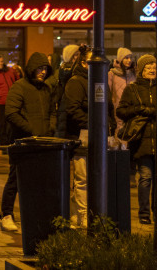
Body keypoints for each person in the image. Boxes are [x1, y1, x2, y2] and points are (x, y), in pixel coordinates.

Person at [0, 52, 55, 233]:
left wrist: (49, 129)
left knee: (40, 181)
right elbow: (11, 113)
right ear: (32, 69)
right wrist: (32, 130)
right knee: (15, 178)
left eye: (45, 68)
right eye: (40, 68)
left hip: (43, 141)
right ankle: (6, 215)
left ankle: (37, 215)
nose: (43, 72)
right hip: (22, 142)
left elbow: (52, 111)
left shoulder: (46, 89)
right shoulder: (19, 87)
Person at [116, 54, 157, 225]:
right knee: (146, 177)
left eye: (154, 68)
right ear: (141, 70)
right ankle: (144, 213)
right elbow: (121, 111)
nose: (152, 71)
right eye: (148, 68)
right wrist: (139, 109)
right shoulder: (132, 89)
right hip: (141, 141)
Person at [62, 48, 92, 228]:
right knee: (82, 177)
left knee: (93, 176)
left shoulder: (98, 80)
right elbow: (73, 109)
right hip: (82, 134)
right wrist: (92, 123)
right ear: (82, 63)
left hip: (98, 134)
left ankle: (84, 212)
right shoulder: (76, 82)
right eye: (90, 61)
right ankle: (81, 215)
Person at [0, 53, 20, 145]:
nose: (1, 63)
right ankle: (3, 146)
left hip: (11, 102)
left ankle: (10, 144)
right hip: (0, 104)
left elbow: (18, 81)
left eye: (1, 61)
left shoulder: (10, 71)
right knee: (2, 126)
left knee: (11, 125)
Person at [50, 44, 81, 138]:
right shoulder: (67, 71)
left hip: (66, 112)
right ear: (70, 56)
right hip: (66, 112)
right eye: (76, 55)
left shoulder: (65, 70)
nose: (78, 57)